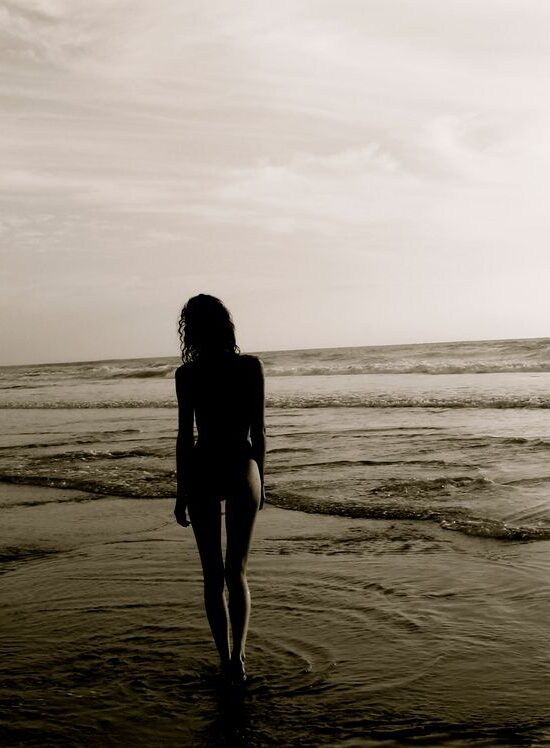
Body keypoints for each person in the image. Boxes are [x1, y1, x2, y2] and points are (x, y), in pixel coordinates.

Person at [174, 294, 266, 684]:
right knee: (236, 572)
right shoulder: (249, 367)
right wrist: (262, 481)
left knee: (212, 574)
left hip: (203, 465)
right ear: (226, 325)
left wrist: (181, 492)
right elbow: (259, 432)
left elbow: (184, 437)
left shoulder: (187, 375)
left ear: (190, 331)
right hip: (241, 463)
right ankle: (240, 659)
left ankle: (224, 659)